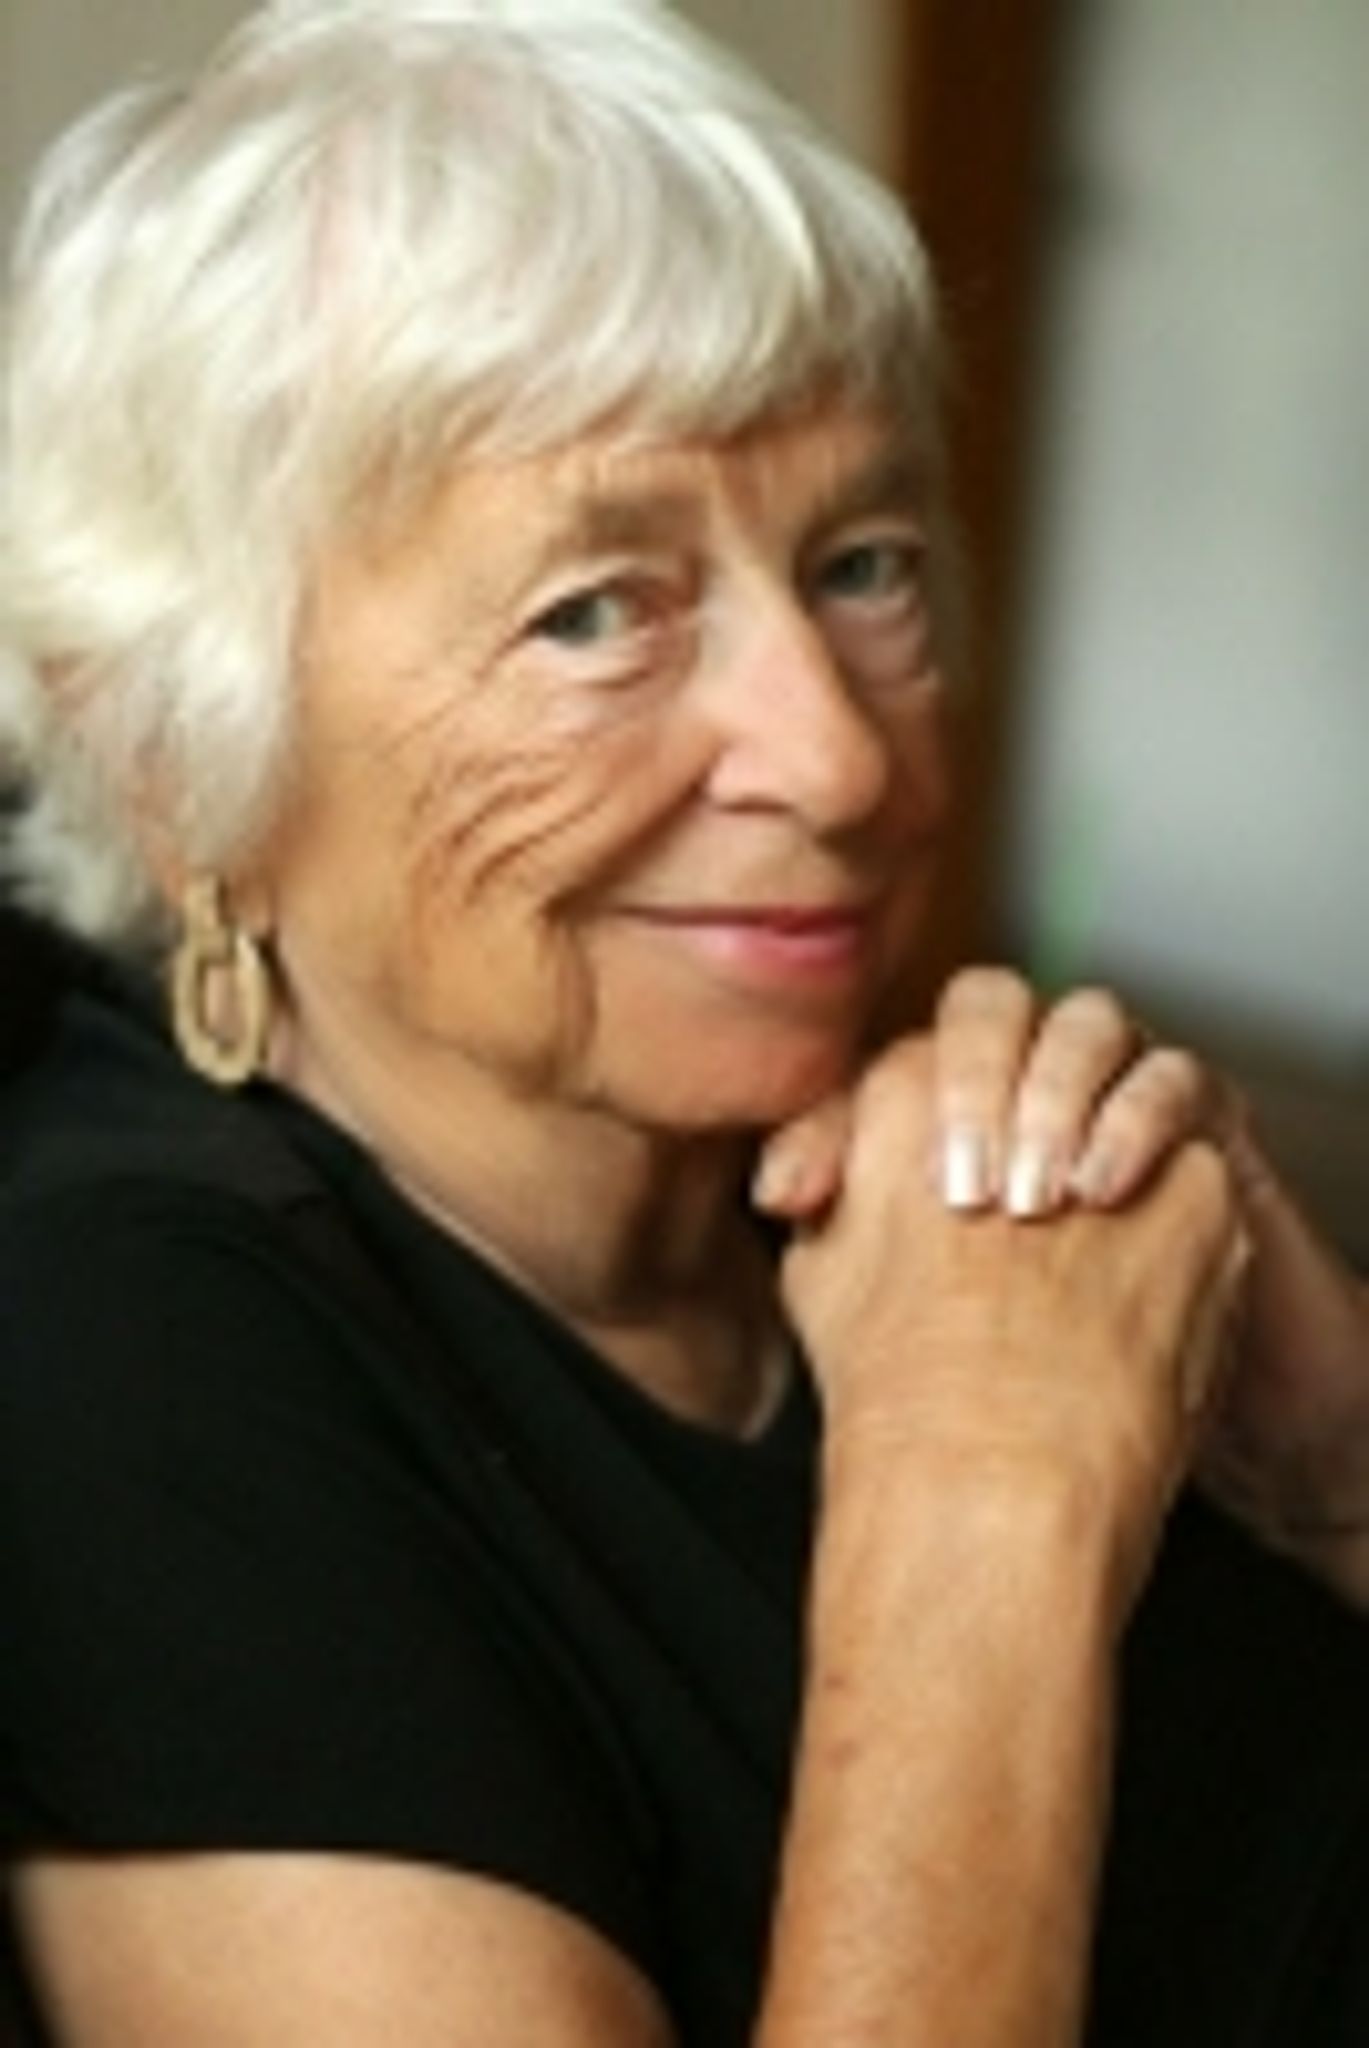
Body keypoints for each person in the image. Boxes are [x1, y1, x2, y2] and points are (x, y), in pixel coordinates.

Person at [1, 2, 1368, 2041]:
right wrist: (984, 1491)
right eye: (593, 613)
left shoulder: (923, 1187)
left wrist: (1329, 1456)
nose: (834, 758)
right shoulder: (111, 1363)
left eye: (862, 562)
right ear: (177, 750)